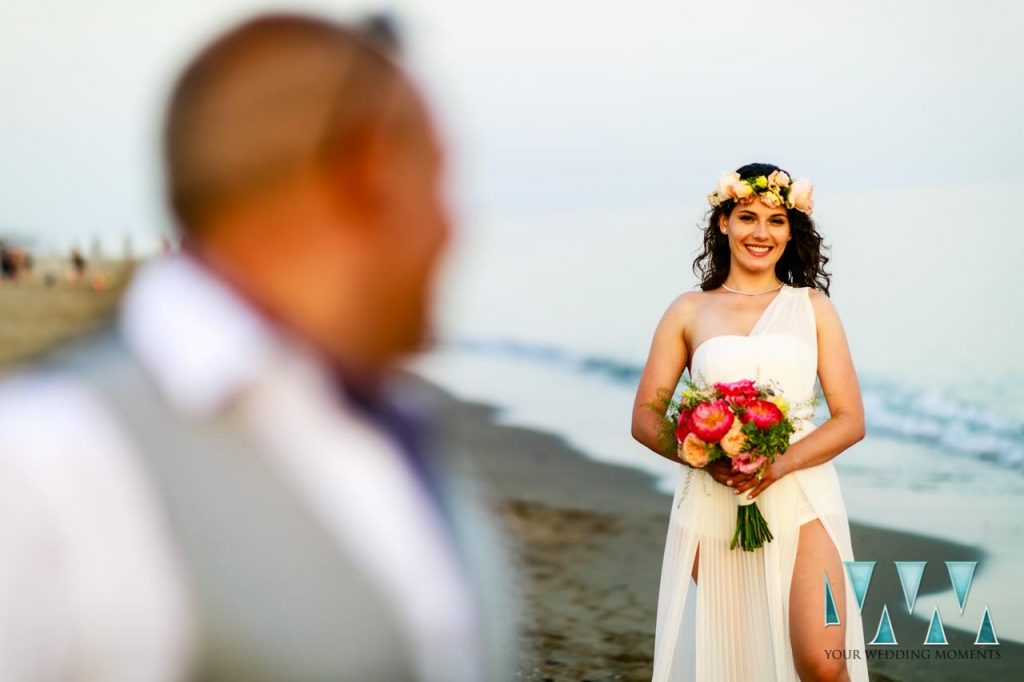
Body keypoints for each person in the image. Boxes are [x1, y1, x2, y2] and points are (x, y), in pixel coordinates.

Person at [0, 13, 512, 681]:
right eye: (438, 180)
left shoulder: (397, 424)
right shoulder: (48, 466)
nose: (453, 228)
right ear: (366, 170)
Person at [631, 163, 869, 681]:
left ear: (792, 230)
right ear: (723, 223)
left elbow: (849, 419)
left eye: (777, 220)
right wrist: (705, 455)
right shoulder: (688, 310)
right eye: (747, 217)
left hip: (803, 491)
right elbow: (647, 418)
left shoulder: (814, 308)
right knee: (741, 660)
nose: (761, 233)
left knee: (823, 663)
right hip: (716, 499)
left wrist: (779, 463)